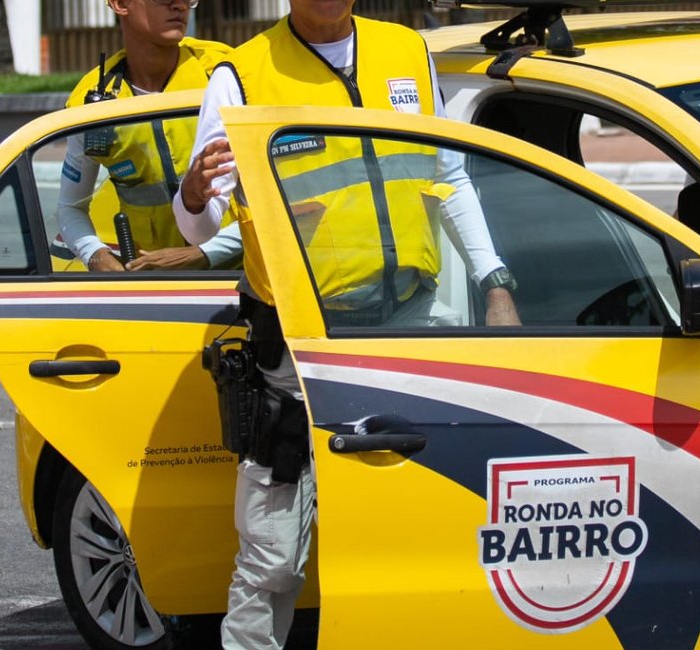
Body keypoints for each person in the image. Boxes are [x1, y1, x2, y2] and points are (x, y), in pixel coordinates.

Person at [172, 1, 520, 647]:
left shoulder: (405, 52)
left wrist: (493, 281)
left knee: (405, 526)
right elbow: (199, 222)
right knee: (274, 552)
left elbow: (449, 174)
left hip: (406, 323)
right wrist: (193, 194)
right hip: (299, 338)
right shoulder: (241, 75)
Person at [54, 0, 240, 273]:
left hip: (241, 278)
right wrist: (96, 256)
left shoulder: (225, 75)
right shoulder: (91, 104)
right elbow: (70, 208)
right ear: (120, 4)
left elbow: (287, 202)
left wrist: (204, 253)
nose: (180, 6)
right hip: (155, 289)